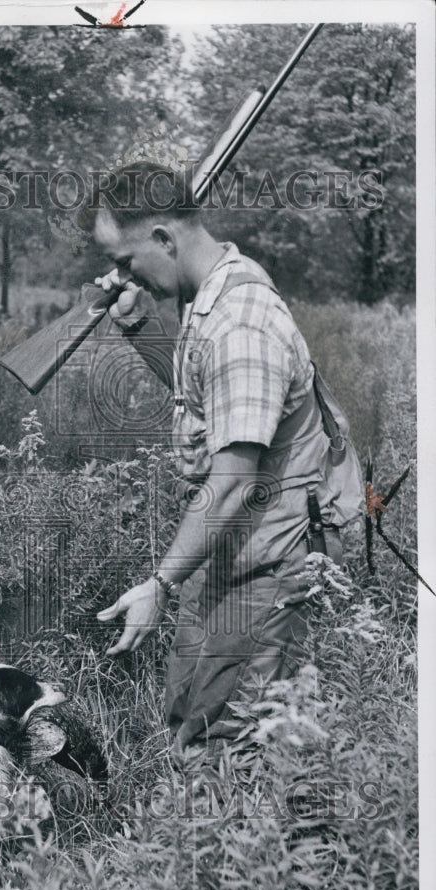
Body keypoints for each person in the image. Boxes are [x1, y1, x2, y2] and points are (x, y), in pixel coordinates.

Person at [77, 162, 363, 760]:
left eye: (126, 261)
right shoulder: (209, 298)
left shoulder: (241, 322)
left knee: (231, 739)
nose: (119, 275)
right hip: (236, 547)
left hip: (271, 556)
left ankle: (262, 850)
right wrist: (138, 329)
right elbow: (209, 401)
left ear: (163, 239)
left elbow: (233, 482)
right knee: (193, 713)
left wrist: (160, 583)